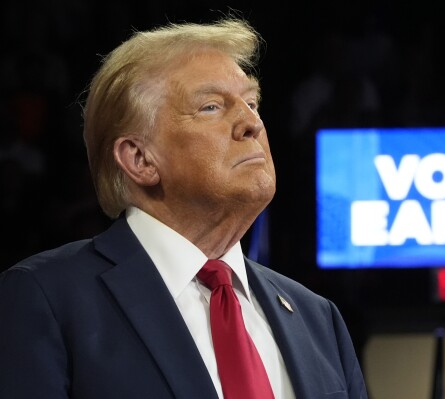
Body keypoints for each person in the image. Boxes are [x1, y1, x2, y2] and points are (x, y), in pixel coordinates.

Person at [0, 17, 368, 399]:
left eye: (252, 102)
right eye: (211, 107)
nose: (251, 122)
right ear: (140, 158)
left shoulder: (318, 318)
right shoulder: (46, 299)